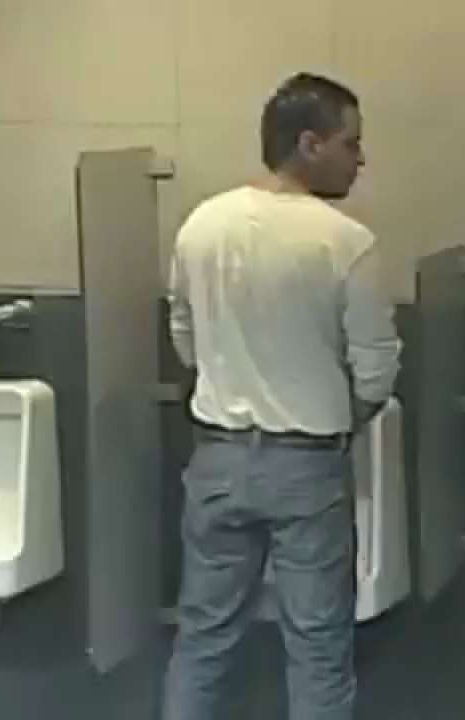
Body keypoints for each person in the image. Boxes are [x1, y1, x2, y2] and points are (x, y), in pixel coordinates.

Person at [162, 73, 402, 720]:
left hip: (217, 457)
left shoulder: (200, 226)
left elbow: (184, 337)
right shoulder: (346, 243)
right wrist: (343, 416)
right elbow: (376, 371)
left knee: (203, 638)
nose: (360, 159)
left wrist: (228, 379)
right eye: (350, 143)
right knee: (318, 646)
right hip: (306, 464)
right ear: (309, 144)